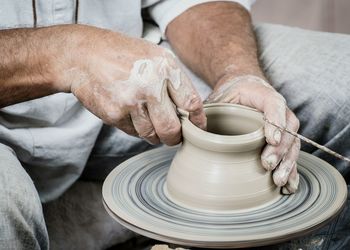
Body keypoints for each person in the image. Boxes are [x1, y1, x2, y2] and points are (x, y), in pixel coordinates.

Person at [0, 0, 349, 249]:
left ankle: (92, 216)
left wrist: (237, 72)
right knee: (6, 204)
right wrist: (63, 52)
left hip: (135, 76)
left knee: (341, 85)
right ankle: (68, 221)